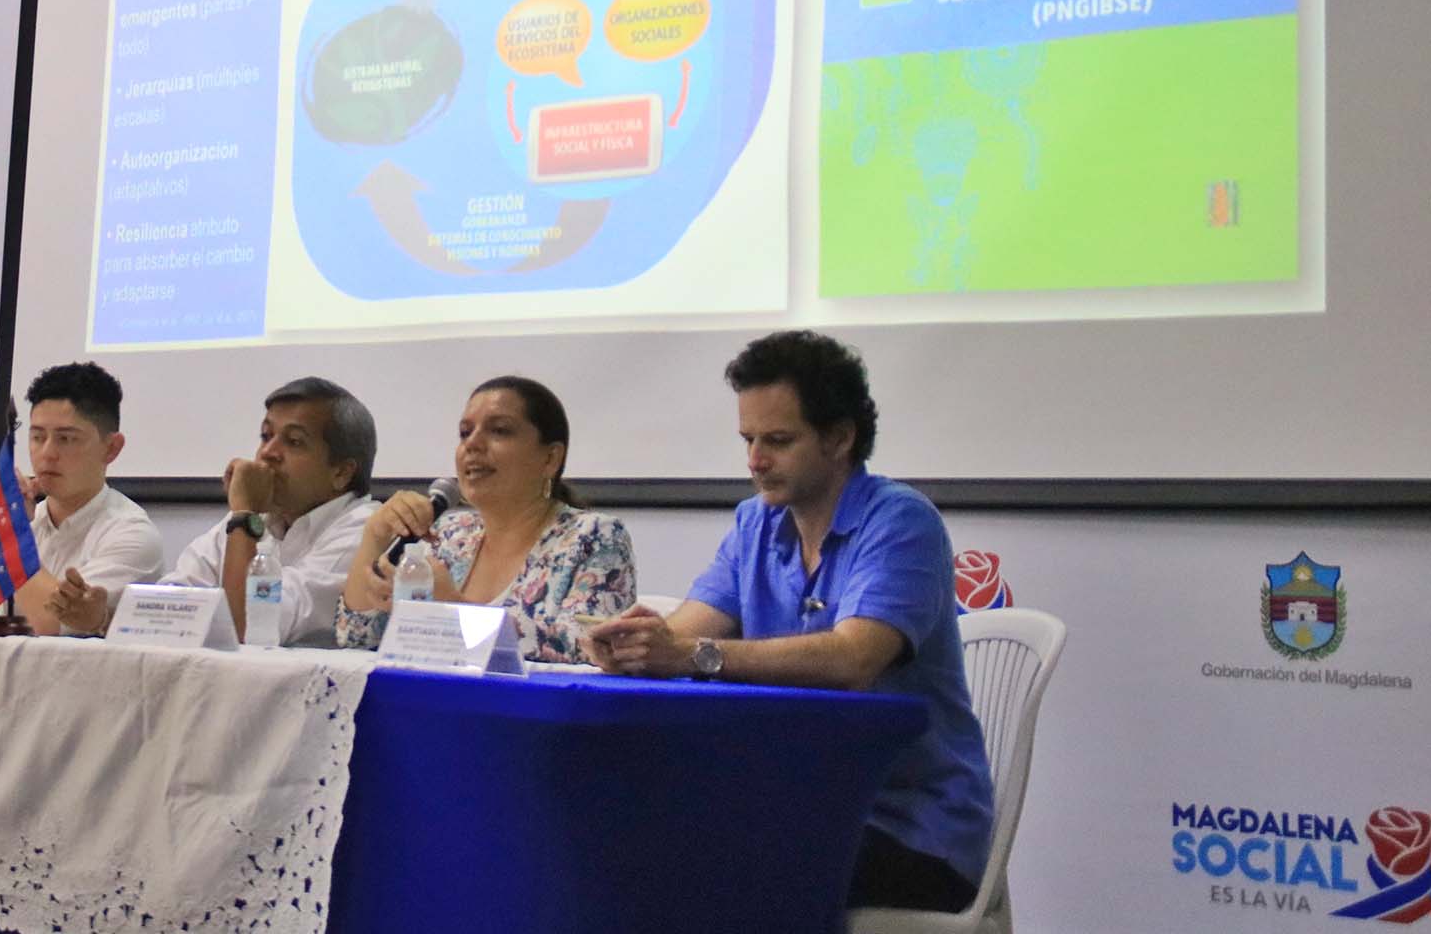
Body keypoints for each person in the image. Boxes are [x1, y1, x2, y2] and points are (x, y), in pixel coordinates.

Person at [580, 330, 995, 915]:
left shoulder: (903, 522)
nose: (754, 460)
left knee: (712, 867)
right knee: (634, 841)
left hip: (914, 831)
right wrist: (635, 646)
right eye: (748, 439)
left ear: (840, 437)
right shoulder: (756, 522)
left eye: (777, 440)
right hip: (790, 808)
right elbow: (687, 631)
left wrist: (689, 655)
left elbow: (852, 661)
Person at [335, 376, 633, 664]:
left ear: (550, 459)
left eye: (499, 431)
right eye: (465, 433)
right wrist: (375, 536)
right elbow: (355, 635)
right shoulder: (450, 535)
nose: (472, 445)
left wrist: (452, 611)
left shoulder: (594, 536)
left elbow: (592, 645)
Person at [160, 376, 379, 645]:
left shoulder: (364, 529)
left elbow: (251, 629)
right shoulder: (257, 517)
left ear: (342, 473)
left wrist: (243, 516)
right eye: (266, 436)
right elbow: (165, 606)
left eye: (294, 441)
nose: (267, 452)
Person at [0, 361, 161, 636]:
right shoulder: (31, 521)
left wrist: (13, 530)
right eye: (37, 437)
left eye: (66, 439)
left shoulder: (132, 535)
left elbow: (45, 624)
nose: (47, 453)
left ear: (111, 448)